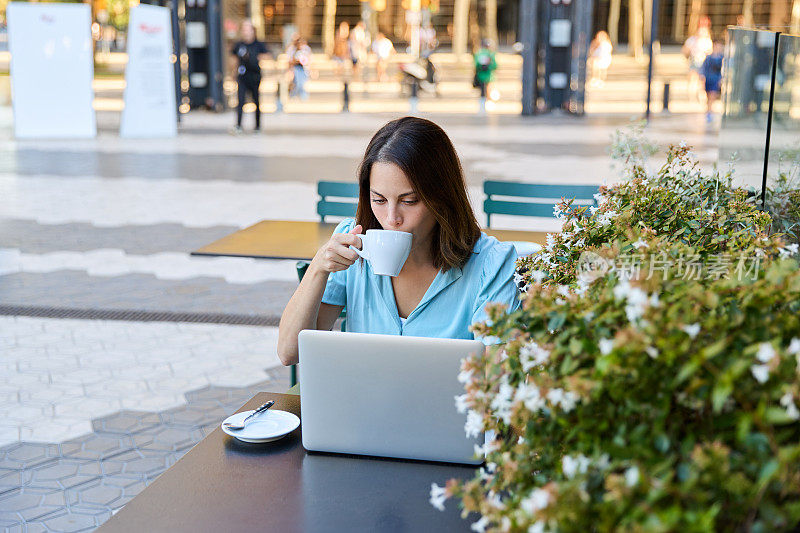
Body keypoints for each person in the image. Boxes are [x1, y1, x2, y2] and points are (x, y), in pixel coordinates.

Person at [277, 117, 520, 366]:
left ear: (442, 197)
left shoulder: (492, 263)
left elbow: (495, 383)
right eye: (379, 200)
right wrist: (318, 267)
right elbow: (289, 352)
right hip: (364, 403)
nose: (392, 219)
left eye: (409, 201)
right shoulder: (353, 244)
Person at [231, 20, 270, 134]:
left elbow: (267, 55)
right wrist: (233, 73)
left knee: (256, 101)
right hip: (242, 76)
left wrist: (255, 57)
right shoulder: (239, 45)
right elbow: (233, 59)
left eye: (247, 29)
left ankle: (257, 126)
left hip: (255, 76)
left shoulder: (258, 44)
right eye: (244, 29)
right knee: (241, 100)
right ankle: (238, 125)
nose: (245, 32)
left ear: (253, 31)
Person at [682, 26, 713, 102]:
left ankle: (701, 96)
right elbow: (685, 50)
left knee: (702, 80)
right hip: (694, 61)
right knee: (692, 79)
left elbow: (710, 52)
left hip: (703, 62)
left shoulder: (707, 41)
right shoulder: (691, 40)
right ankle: (691, 96)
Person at [700, 41, 724, 122]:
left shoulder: (721, 58)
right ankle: (708, 111)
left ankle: (709, 113)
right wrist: (702, 77)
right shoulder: (708, 58)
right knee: (708, 97)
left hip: (715, 80)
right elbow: (704, 68)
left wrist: (721, 80)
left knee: (712, 96)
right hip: (708, 80)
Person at [473, 40, 497, 112]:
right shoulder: (490, 54)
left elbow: (476, 65)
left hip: (480, 75)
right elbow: (495, 65)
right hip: (489, 76)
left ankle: (482, 106)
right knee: (488, 90)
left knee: (482, 92)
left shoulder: (478, 54)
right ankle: (488, 105)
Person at [286, 35, 312, 100]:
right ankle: (293, 95)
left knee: (302, 83)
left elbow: (309, 59)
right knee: (296, 83)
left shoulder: (305, 49)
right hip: (296, 68)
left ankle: (302, 96)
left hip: (304, 68)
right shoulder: (291, 49)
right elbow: (289, 60)